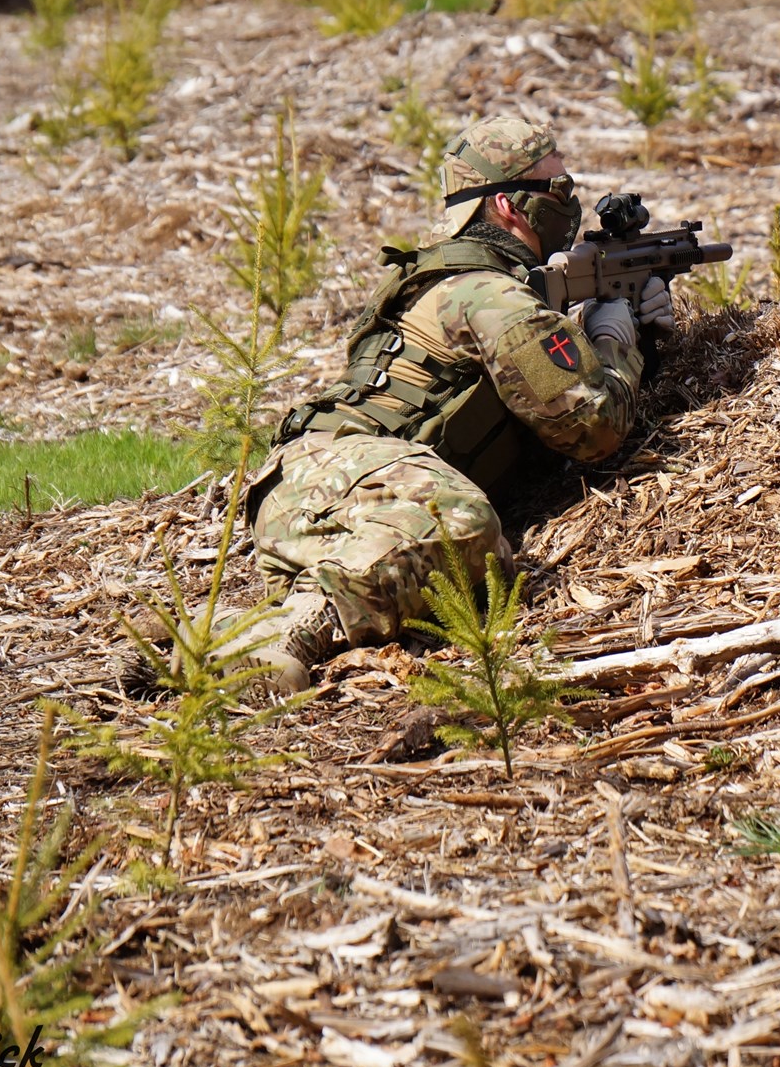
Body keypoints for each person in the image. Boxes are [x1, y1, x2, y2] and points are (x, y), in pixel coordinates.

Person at [232, 115, 675, 691]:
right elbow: (591, 427)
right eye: (559, 191)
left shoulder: (465, 282)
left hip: (318, 482)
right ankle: (285, 635)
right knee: (466, 524)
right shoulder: (490, 295)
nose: (572, 205)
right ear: (508, 207)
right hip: (348, 469)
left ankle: (214, 631)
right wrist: (618, 341)